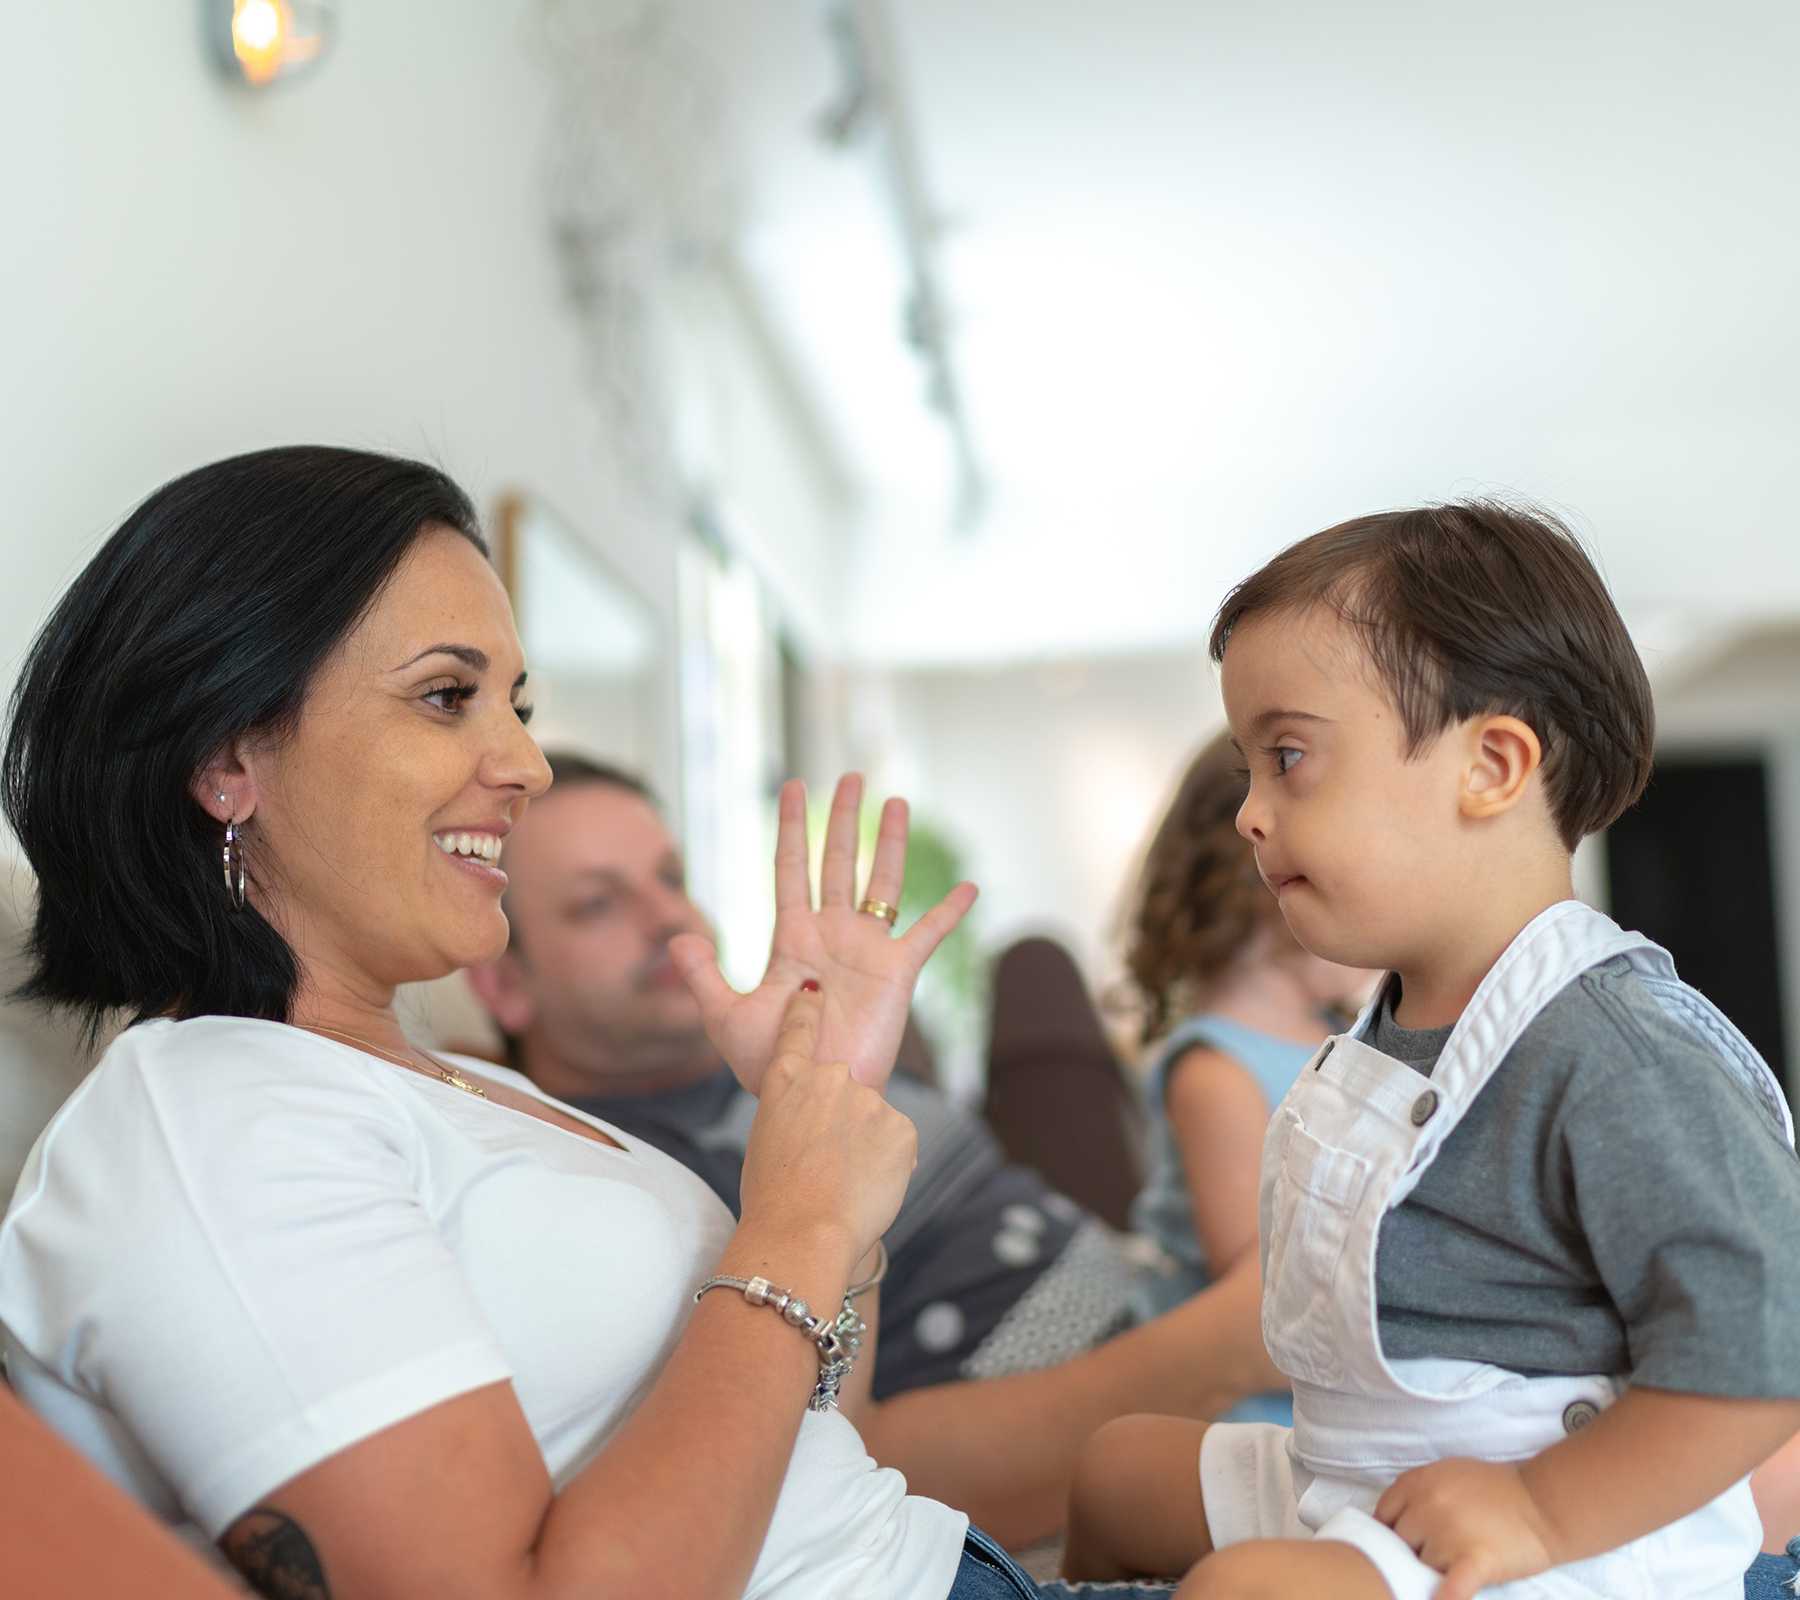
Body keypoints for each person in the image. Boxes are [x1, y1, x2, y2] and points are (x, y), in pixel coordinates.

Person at [0, 445, 1164, 1599]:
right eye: (447, 696)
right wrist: (794, 1228)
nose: (524, 764)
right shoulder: (205, 1124)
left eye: (517, 705)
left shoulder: (450, 1078)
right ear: (227, 756)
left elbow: (814, 1452)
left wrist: (822, 1127)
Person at [1061, 501, 1800, 1600]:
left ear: (1491, 766)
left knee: (1246, 1591)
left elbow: (1762, 1359)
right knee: (1117, 1467)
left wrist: (1541, 1509)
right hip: (1367, 1467)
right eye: (1248, 769)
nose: (1250, 817)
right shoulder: (1394, 1022)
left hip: (1571, 1527)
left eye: (1290, 756)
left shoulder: (1618, 1051)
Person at [462, 748, 1281, 1549]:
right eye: (597, 904)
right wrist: (1234, 1338)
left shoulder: (787, 1040)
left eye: (670, 879)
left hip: (1146, 1273)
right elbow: (849, 1456)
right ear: (504, 985)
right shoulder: (627, 1188)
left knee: (1038, 965)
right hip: (1144, 1402)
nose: (668, 916)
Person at [1119, 730, 1372, 1422]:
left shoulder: (1337, 1035)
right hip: (1258, 1409)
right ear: (1264, 877)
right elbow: (1261, 1299)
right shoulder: (1214, 1072)